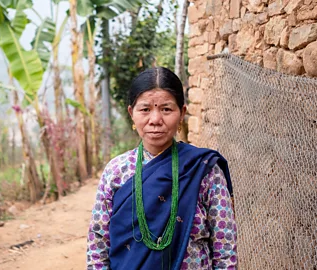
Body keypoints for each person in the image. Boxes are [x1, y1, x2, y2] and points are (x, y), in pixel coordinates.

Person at [87, 67, 237, 270]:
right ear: (132, 113)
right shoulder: (116, 172)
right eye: (145, 109)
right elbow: (98, 243)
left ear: (182, 113)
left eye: (166, 109)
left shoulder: (204, 171)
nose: (155, 120)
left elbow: (224, 245)